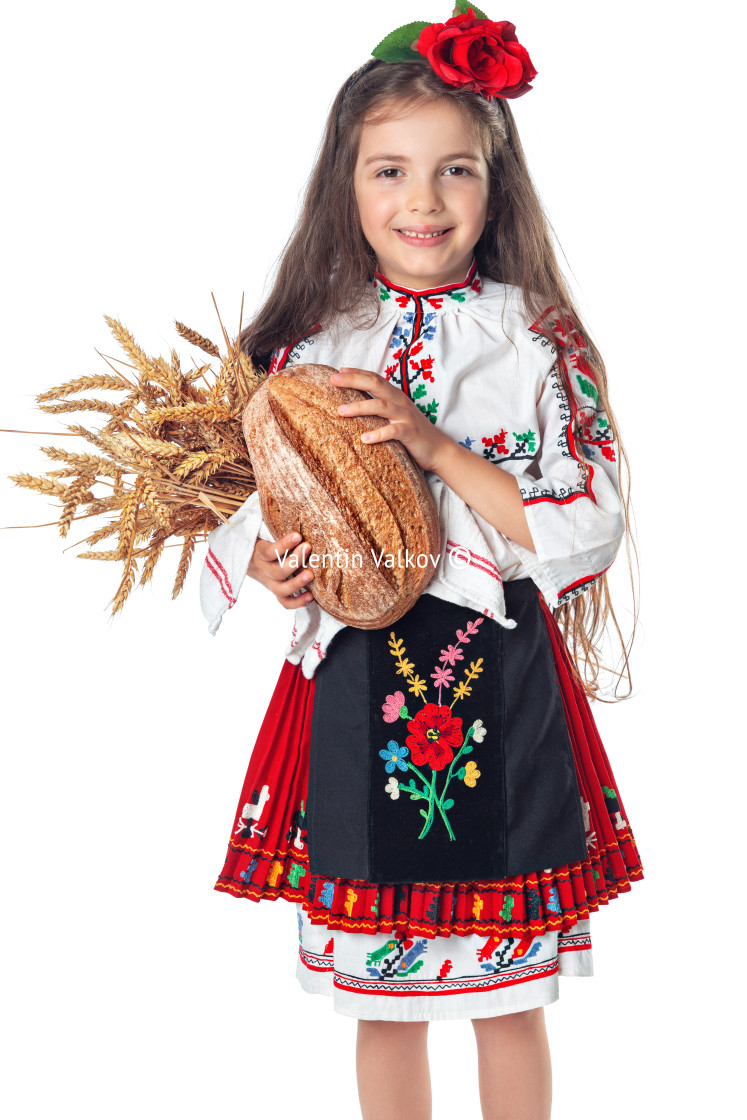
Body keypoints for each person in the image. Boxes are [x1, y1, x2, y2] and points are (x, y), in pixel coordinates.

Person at [200, 7, 643, 1118]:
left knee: (508, 993)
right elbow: (222, 492)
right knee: (380, 995)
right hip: (356, 683)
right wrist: (265, 561)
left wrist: (436, 446)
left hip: (499, 679)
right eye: (389, 170)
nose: (423, 203)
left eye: (456, 170)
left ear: (498, 184)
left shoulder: (538, 335)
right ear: (346, 186)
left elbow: (587, 515)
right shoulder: (309, 342)